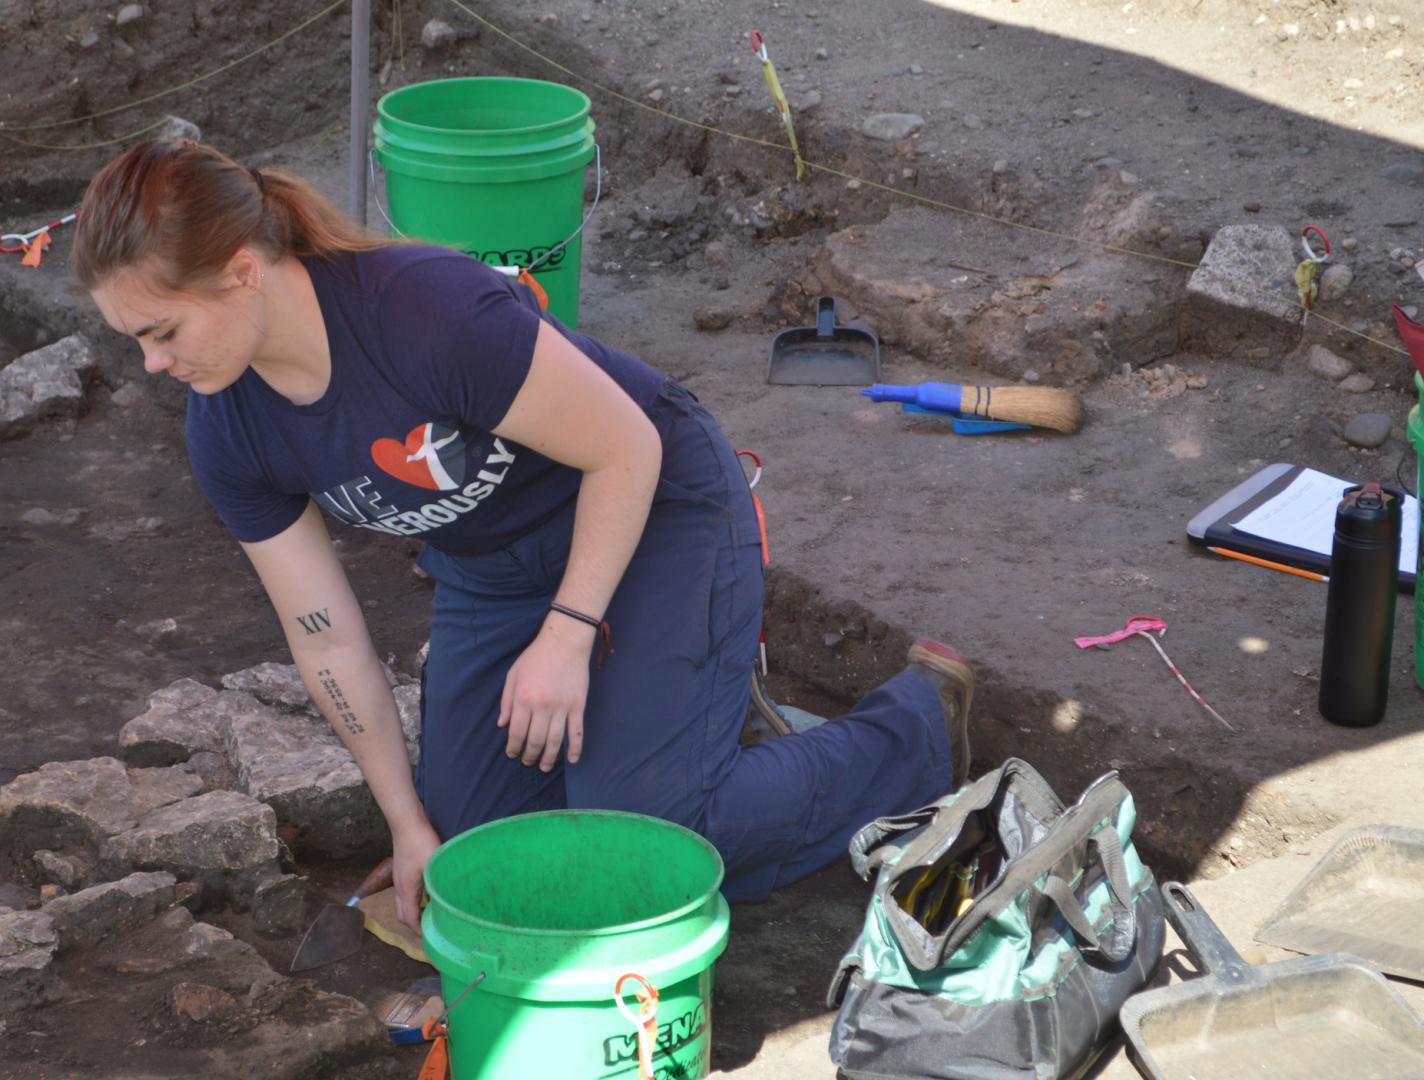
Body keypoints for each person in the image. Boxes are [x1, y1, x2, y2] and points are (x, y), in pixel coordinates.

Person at [72, 139, 975, 928]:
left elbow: (625, 448)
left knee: (645, 837)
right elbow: (326, 635)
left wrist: (569, 634)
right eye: (135, 343)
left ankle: (913, 729)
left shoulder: (422, 313)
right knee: (483, 857)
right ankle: (689, 723)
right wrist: (408, 822)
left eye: (162, 331)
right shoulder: (226, 426)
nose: (155, 365)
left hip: (656, 506)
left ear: (239, 269)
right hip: (495, 572)